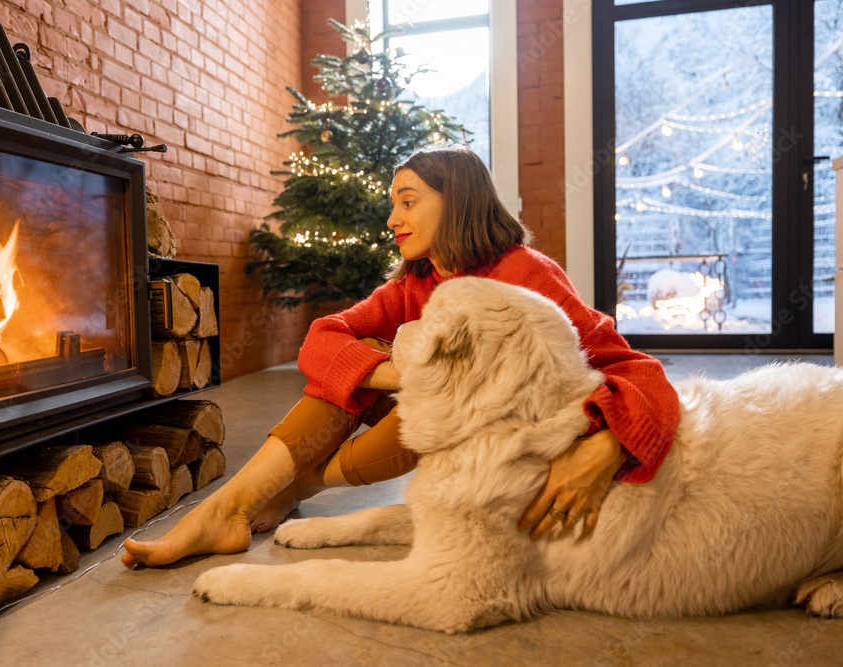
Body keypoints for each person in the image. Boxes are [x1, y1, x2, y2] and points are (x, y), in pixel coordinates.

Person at [122, 144, 679, 568]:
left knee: (439, 385)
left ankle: (299, 485)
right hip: (437, 423)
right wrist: (391, 367)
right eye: (394, 203)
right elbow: (320, 338)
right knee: (361, 353)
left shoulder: (527, 274)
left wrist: (606, 445)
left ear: (457, 202)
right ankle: (225, 509)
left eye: (408, 202)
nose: (392, 218)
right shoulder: (415, 281)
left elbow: (635, 370)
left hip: (508, 439)